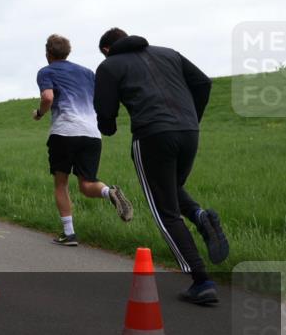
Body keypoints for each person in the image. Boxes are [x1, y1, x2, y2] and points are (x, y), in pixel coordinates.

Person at [94, 28, 229, 305]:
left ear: (107, 49)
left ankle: (201, 281)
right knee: (171, 189)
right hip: (189, 132)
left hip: (152, 135)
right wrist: (192, 117)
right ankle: (200, 215)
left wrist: (107, 127)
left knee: (164, 210)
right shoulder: (169, 53)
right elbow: (203, 83)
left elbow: (105, 112)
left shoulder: (109, 65)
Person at [34, 34, 133, 246]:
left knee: (61, 184)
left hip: (65, 132)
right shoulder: (88, 73)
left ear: (48, 54)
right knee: (87, 184)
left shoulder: (46, 71)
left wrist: (40, 113)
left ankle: (69, 234)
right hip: (91, 133)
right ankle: (109, 192)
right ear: (68, 52)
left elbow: (48, 97)